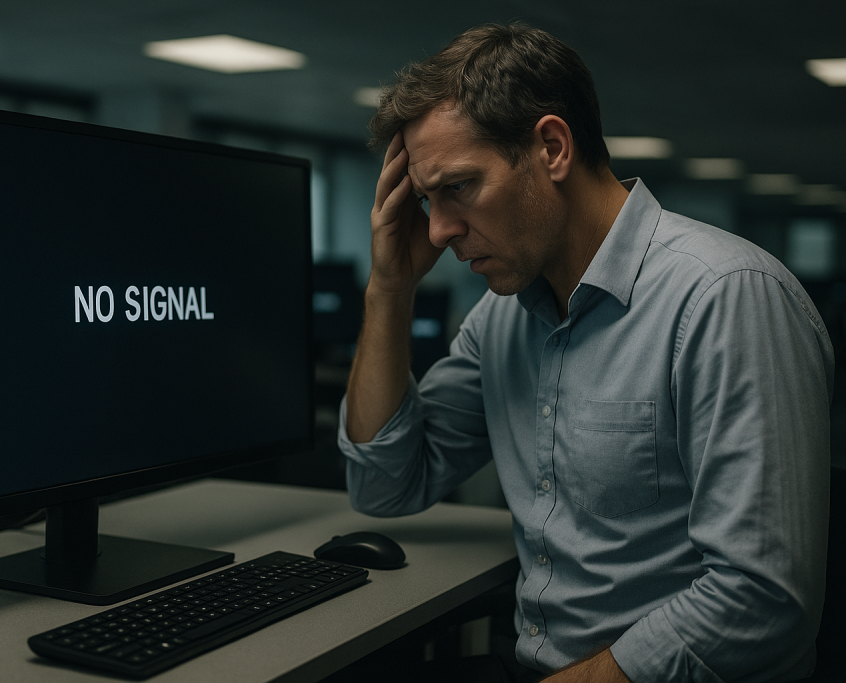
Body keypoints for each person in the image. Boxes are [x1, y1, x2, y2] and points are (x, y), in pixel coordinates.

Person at [337, 22, 835, 682]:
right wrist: (389, 288)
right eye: (428, 201)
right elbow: (384, 485)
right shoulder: (502, 319)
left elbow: (763, 602)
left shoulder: (727, 298)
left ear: (552, 147)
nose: (438, 231)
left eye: (458, 186)